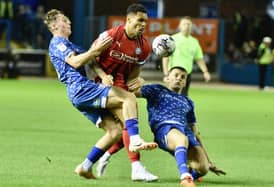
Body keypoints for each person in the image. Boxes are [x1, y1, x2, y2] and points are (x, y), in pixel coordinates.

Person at [44, 9, 157, 180]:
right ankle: (135, 143)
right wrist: (94, 51)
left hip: (80, 93)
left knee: (115, 131)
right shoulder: (57, 43)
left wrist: (103, 75)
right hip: (81, 88)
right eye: (64, 20)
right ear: (54, 26)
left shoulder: (70, 44)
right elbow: (76, 61)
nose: (69, 22)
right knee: (128, 98)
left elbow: (91, 61)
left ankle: (85, 166)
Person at [92, 3, 159, 182]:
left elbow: (133, 77)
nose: (143, 25)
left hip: (121, 84)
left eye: (145, 21)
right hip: (99, 84)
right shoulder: (110, 36)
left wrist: (139, 82)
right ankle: (136, 167)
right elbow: (91, 59)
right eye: (140, 21)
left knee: (127, 128)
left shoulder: (143, 47)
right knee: (130, 124)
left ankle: (106, 157)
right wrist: (103, 75)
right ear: (128, 20)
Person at [135, 67, 226, 187]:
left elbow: (195, 132)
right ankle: (185, 177)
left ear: (185, 83)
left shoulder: (188, 102)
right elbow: (134, 92)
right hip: (165, 127)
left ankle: (190, 174)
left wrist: (209, 161)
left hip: (185, 132)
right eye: (176, 75)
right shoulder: (156, 89)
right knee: (181, 139)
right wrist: (136, 82)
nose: (179, 79)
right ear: (167, 78)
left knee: (203, 168)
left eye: (183, 77)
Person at [162, 16, 211, 96]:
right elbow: (166, 57)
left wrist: (205, 72)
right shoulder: (173, 39)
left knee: (184, 96)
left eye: (189, 24)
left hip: (186, 74)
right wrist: (166, 74)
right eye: (184, 24)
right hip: (174, 73)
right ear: (180, 26)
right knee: (172, 95)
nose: (187, 26)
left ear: (192, 27)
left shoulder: (194, 41)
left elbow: (199, 58)